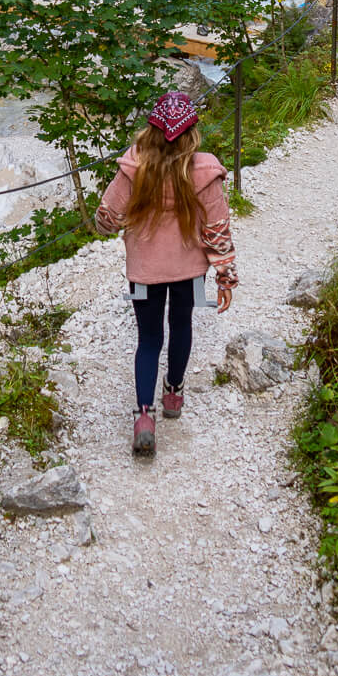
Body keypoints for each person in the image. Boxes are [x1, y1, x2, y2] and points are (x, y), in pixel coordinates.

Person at [94, 89, 238, 457]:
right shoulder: (205, 171)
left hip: (144, 270)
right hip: (189, 269)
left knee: (148, 339)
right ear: (191, 133)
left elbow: (107, 218)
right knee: (182, 325)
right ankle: (173, 394)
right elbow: (217, 230)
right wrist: (225, 277)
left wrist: (113, 224)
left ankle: (144, 417)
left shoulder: (134, 166)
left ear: (153, 129)